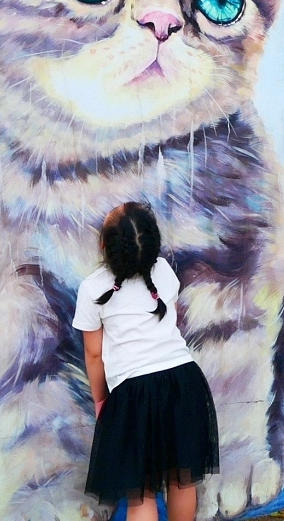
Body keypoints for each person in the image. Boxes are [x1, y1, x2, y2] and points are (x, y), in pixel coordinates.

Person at [73, 202, 219, 521]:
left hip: (136, 393)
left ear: (104, 246)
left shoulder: (92, 288)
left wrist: (101, 401)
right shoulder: (164, 271)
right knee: (181, 481)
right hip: (184, 381)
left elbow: (94, 354)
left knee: (141, 494)